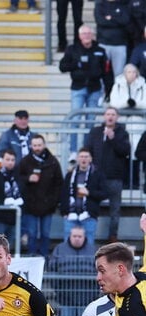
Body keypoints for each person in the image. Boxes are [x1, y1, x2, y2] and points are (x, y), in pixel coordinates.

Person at [60, 26, 110, 154]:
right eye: (84, 33)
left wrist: (108, 91)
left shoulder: (100, 50)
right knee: (75, 120)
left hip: (95, 89)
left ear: (92, 35)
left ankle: (87, 150)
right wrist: (76, 64)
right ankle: (73, 151)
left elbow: (107, 72)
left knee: (90, 122)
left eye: (89, 33)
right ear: (79, 35)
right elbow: (62, 66)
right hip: (78, 88)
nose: (87, 35)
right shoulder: (72, 49)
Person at [85, 107, 130, 243]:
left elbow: (125, 151)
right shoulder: (95, 132)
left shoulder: (122, 133)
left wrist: (113, 138)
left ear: (117, 117)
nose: (110, 117)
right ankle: (88, 236)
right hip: (96, 177)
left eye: (113, 114)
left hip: (114, 177)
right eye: (108, 114)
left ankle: (112, 237)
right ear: (104, 116)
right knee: (91, 207)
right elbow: (88, 149)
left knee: (114, 210)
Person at [16, 134, 64, 257]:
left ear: (44, 145)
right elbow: (18, 180)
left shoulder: (53, 161)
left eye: (39, 145)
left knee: (45, 234)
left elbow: (59, 182)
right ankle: (32, 258)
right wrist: (28, 179)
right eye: (35, 145)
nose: (37, 148)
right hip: (31, 206)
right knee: (32, 234)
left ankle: (44, 260)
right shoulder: (25, 161)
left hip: (48, 206)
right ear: (31, 146)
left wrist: (54, 201)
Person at [60, 147, 107, 242]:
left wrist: (89, 193)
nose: (83, 159)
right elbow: (64, 194)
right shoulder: (70, 175)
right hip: (71, 216)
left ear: (90, 159)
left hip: (88, 216)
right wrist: (64, 212)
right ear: (77, 158)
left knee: (88, 246)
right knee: (68, 245)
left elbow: (105, 194)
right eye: (81, 156)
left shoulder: (97, 174)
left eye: (86, 157)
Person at [96, 0, 131, 79]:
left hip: (120, 44)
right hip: (103, 44)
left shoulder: (123, 5)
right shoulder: (99, 5)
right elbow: (100, 21)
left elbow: (125, 20)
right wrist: (117, 18)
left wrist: (110, 18)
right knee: (100, 72)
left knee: (119, 75)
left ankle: (119, 91)